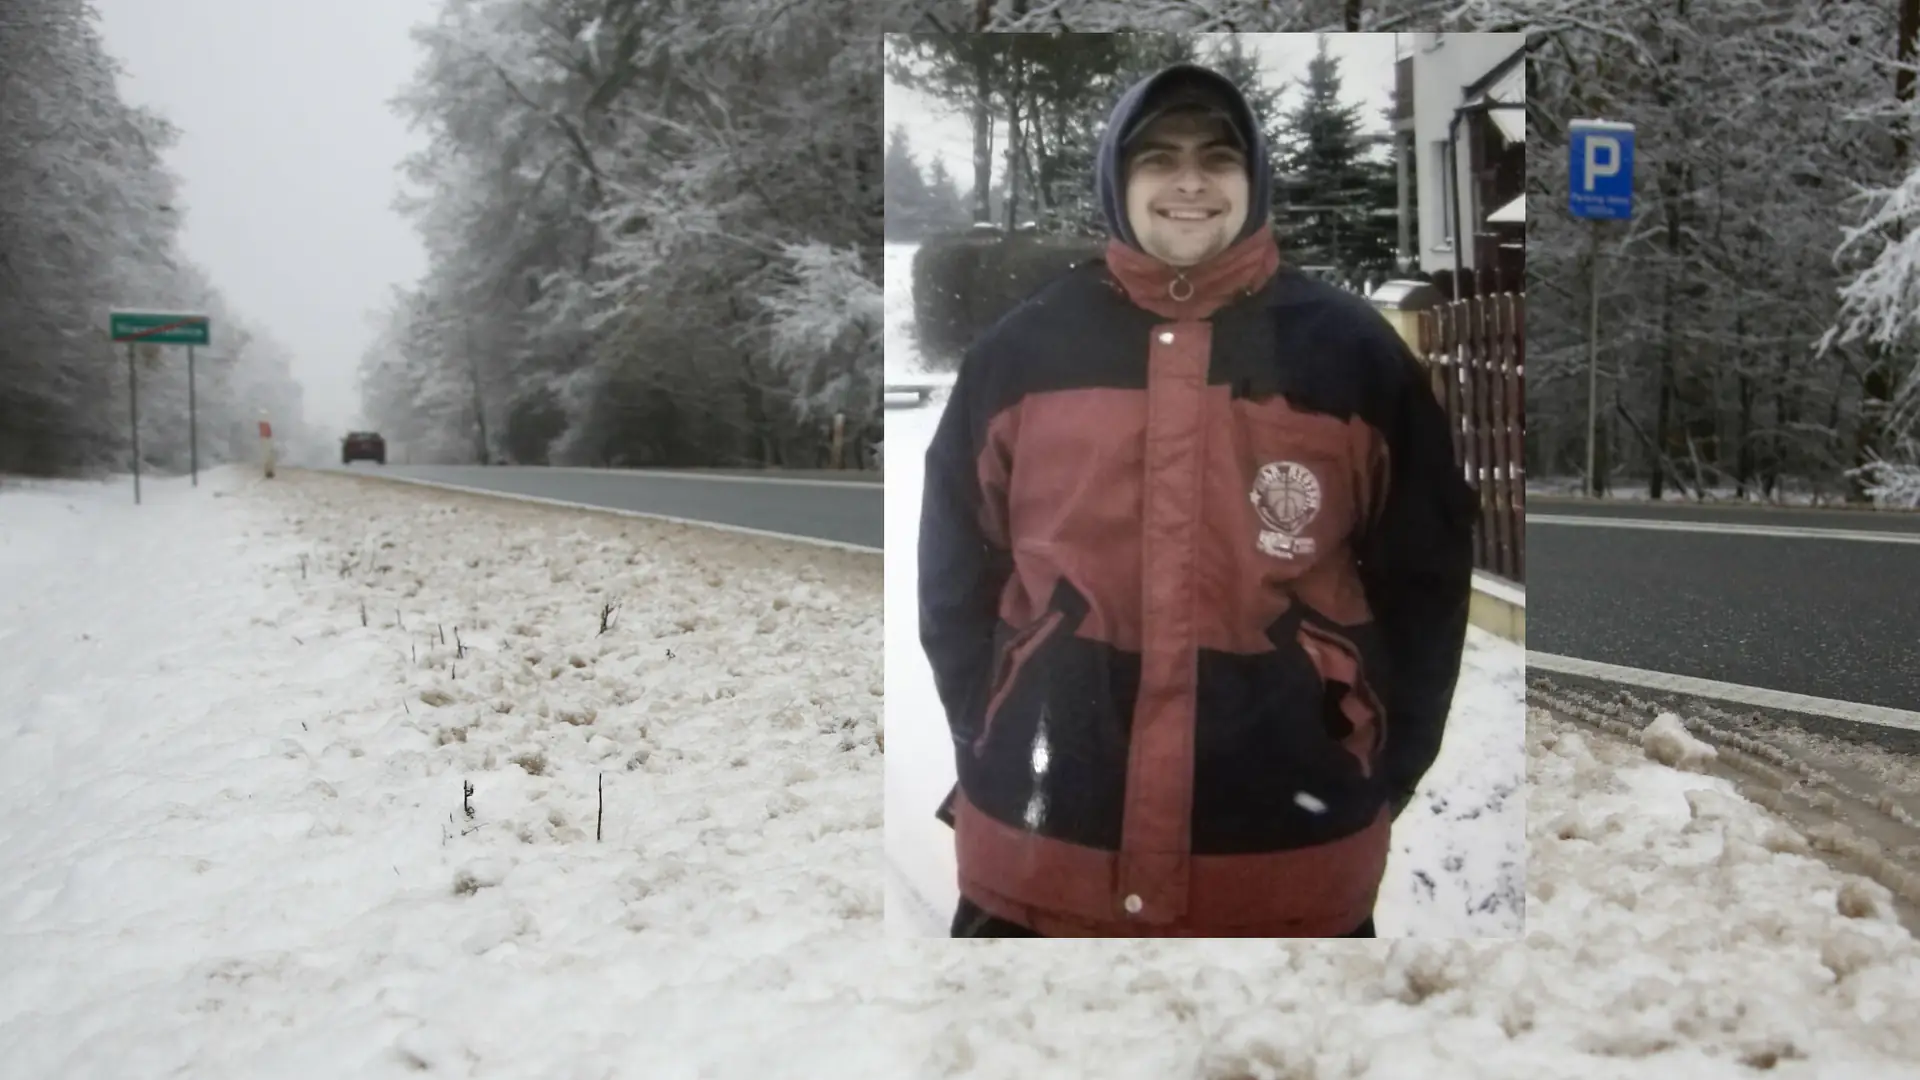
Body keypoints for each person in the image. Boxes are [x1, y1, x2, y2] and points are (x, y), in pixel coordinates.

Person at [917, 62, 1477, 938]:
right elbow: (955, 573)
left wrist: (1376, 771)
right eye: (1157, 159)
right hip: (1037, 864)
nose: (1188, 182)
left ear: (1251, 182)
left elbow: (1426, 585)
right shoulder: (1022, 352)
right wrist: (994, 724)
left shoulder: (1351, 358)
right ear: (1117, 180)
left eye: (1216, 158)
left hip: (1288, 873)